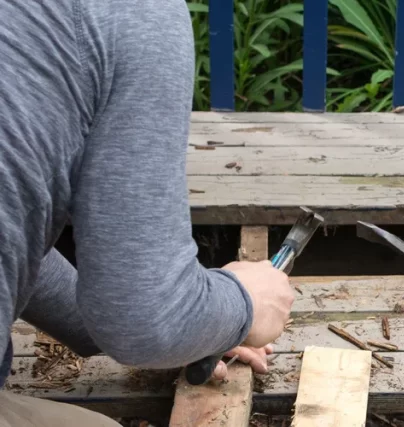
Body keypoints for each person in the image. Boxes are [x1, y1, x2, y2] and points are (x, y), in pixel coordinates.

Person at [0, 0, 296, 424]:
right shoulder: (134, 10)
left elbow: (15, 220)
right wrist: (243, 303)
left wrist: (197, 321)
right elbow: (149, 323)